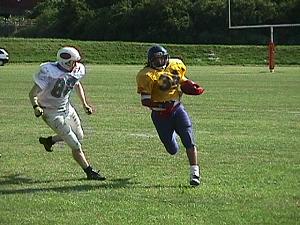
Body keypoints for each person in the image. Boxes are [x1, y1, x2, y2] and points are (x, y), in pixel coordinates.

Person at [29, 46, 106, 180]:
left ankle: (49, 141)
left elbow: (76, 83)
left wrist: (84, 104)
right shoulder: (49, 71)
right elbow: (32, 94)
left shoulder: (76, 70)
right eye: (73, 61)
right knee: (76, 145)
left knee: (79, 136)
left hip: (66, 108)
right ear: (66, 61)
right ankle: (89, 171)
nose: (76, 64)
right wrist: (36, 107)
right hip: (52, 113)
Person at [136, 45, 205, 186]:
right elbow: (145, 101)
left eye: (162, 58)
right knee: (172, 149)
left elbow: (182, 80)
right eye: (157, 59)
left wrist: (188, 85)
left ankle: (195, 173)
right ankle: (172, 137)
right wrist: (161, 106)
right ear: (150, 61)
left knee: (189, 140)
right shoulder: (146, 75)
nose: (160, 61)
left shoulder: (175, 65)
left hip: (177, 109)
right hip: (160, 115)